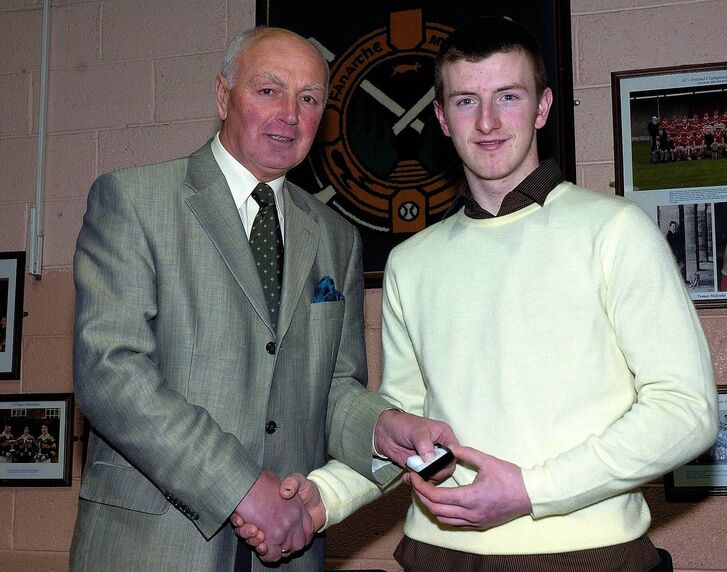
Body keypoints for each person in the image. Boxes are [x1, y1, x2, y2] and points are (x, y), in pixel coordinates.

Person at [241, 16, 719, 572]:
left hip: (586, 557)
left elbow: (686, 411)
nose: (488, 122)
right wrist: (322, 499)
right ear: (442, 118)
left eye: (507, 97)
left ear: (542, 108)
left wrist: (531, 489)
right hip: (434, 556)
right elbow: (406, 428)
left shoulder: (616, 231)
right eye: (466, 101)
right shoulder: (412, 262)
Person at [70, 26, 454, 572]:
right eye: (268, 90)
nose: (289, 115)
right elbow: (111, 372)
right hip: (153, 546)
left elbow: (335, 388)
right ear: (223, 95)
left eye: (309, 99)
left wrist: (382, 428)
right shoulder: (133, 201)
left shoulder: (336, 237)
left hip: (289, 549)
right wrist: (241, 487)